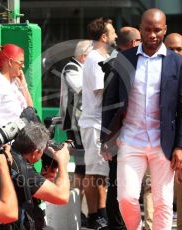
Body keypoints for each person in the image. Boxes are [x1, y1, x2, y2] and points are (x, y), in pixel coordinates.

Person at [101, 8, 182, 230]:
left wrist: (181, 145)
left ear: (165, 30)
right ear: (140, 29)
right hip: (130, 139)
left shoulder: (177, 63)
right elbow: (109, 100)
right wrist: (106, 138)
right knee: (126, 197)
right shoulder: (124, 58)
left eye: (158, 30)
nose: (153, 35)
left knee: (162, 201)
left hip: (165, 142)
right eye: (148, 30)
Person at [78, 17, 117, 229]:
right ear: (104, 36)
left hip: (100, 123)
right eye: (113, 32)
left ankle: (100, 214)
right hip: (94, 123)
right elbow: (100, 91)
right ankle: (94, 216)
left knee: (101, 172)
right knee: (94, 172)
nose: (116, 35)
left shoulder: (102, 56)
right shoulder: (95, 59)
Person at [100, 26, 141, 230]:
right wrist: (107, 139)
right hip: (119, 134)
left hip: (130, 135)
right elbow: (109, 104)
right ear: (134, 43)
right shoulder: (118, 65)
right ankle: (117, 224)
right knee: (117, 182)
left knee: (121, 183)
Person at [10, 122, 71, 229]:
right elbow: (62, 197)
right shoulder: (24, 171)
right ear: (36, 152)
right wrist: (62, 163)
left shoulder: (9, 154)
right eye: (42, 151)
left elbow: (29, 188)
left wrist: (48, 171)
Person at [59, 39, 93, 226]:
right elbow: (81, 89)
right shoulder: (72, 68)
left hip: (84, 125)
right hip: (76, 125)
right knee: (82, 168)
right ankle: (79, 210)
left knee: (86, 167)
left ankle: (83, 211)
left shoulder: (81, 68)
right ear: (84, 56)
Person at [164, 33, 182, 230]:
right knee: (151, 188)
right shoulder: (152, 69)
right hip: (157, 139)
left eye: (179, 49)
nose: (175, 53)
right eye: (170, 49)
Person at [0, 43, 33, 134]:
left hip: (20, 142)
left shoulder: (15, 83)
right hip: (4, 145)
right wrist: (1, 147)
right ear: (10, 62)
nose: (23, 66)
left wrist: (23, 85)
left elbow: (30, 111)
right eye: (21, 62)